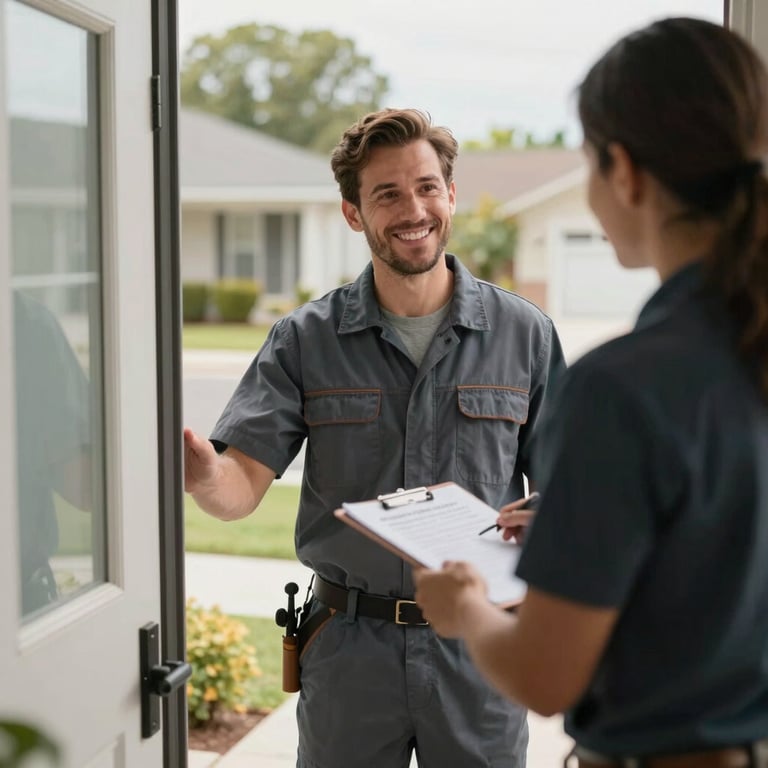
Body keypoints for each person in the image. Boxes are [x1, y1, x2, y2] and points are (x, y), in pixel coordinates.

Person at [413, 17, 768, 768]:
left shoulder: (625, 388)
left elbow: (544, 675)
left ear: (626, 171)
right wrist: (591, 515)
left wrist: (466, 609)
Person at [184, 107, 565, 767]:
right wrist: (201, 474)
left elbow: (571, 490)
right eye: (386, 193)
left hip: (479, 651)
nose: (412, 208)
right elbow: (239, 486)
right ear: (353, 213)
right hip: (347, 649)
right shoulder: (305, 340)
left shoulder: (524, 334)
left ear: (450, 195)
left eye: (425, 187)